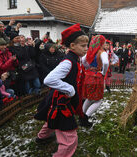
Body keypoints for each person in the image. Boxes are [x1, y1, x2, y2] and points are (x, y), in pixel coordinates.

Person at [34, 23, 88, 157]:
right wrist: (69, 89)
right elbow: (49, 80)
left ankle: (41, 138)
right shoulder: (68, 62)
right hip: (61, 101)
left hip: (60, 98)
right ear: (72, 46)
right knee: (69, 136)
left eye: (86, 45)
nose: (86, 49)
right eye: (83, 46)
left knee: (51, 121)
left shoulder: (75, 58)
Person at [80, 35, 109, 127]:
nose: (105, 44)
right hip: (96, 77)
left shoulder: (90, 51)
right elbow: (105, 63)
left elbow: (83, 60)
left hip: (88, 76)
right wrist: (103, 72)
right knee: (98, 100)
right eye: (104, 42)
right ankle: (85, 117)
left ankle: (82, 116)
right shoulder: (102, 52)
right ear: (101, 43)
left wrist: (88, 68)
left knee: (89, 98)